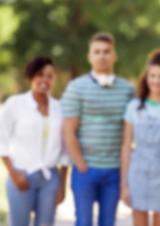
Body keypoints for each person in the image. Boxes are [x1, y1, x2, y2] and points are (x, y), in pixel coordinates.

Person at [61, 32, 134, 226]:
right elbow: (68, 131)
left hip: (114, 171)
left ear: (114, 56)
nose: (102, 56)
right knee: (83, 222)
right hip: (86, 170)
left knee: (108, 222)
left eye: (106, 52)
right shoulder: (76, 87)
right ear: (90, 57)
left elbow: (129, 133)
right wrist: (81, 165)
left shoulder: (127, 90)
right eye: (97, 52)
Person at [0, 56, 70, 226]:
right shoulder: (15, 104)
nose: (45, 80)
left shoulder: (60, 108)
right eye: (40, 74)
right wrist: (14, 173)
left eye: (50, 76)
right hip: (23, 174)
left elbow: (65, 148)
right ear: (31, 76)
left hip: (50, 178)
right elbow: (1, 139)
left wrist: (62, 183)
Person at [120, 50, 160, 226]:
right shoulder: (133, 108)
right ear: (146, 78)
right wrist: (124, 185)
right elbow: (126, 146)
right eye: (153, 76)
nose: (156, 80)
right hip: (137, 172)